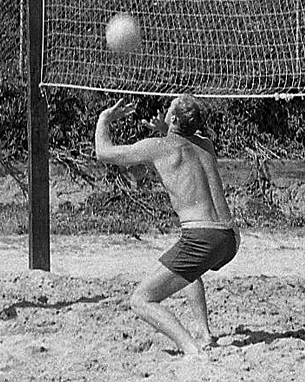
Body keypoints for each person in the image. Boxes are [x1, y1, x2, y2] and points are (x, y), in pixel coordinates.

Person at [93, 95, 236, 356]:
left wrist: (105, 118)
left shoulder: (158, 147)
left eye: (168, 109)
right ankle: (203, 333)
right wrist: (168, 128)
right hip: (230, 238)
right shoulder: (206, 145)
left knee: (141, 300)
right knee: (189, 268)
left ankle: (192, 351)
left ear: (172, 118)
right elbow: (185, 143)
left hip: (202, 237)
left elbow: (103, 152)